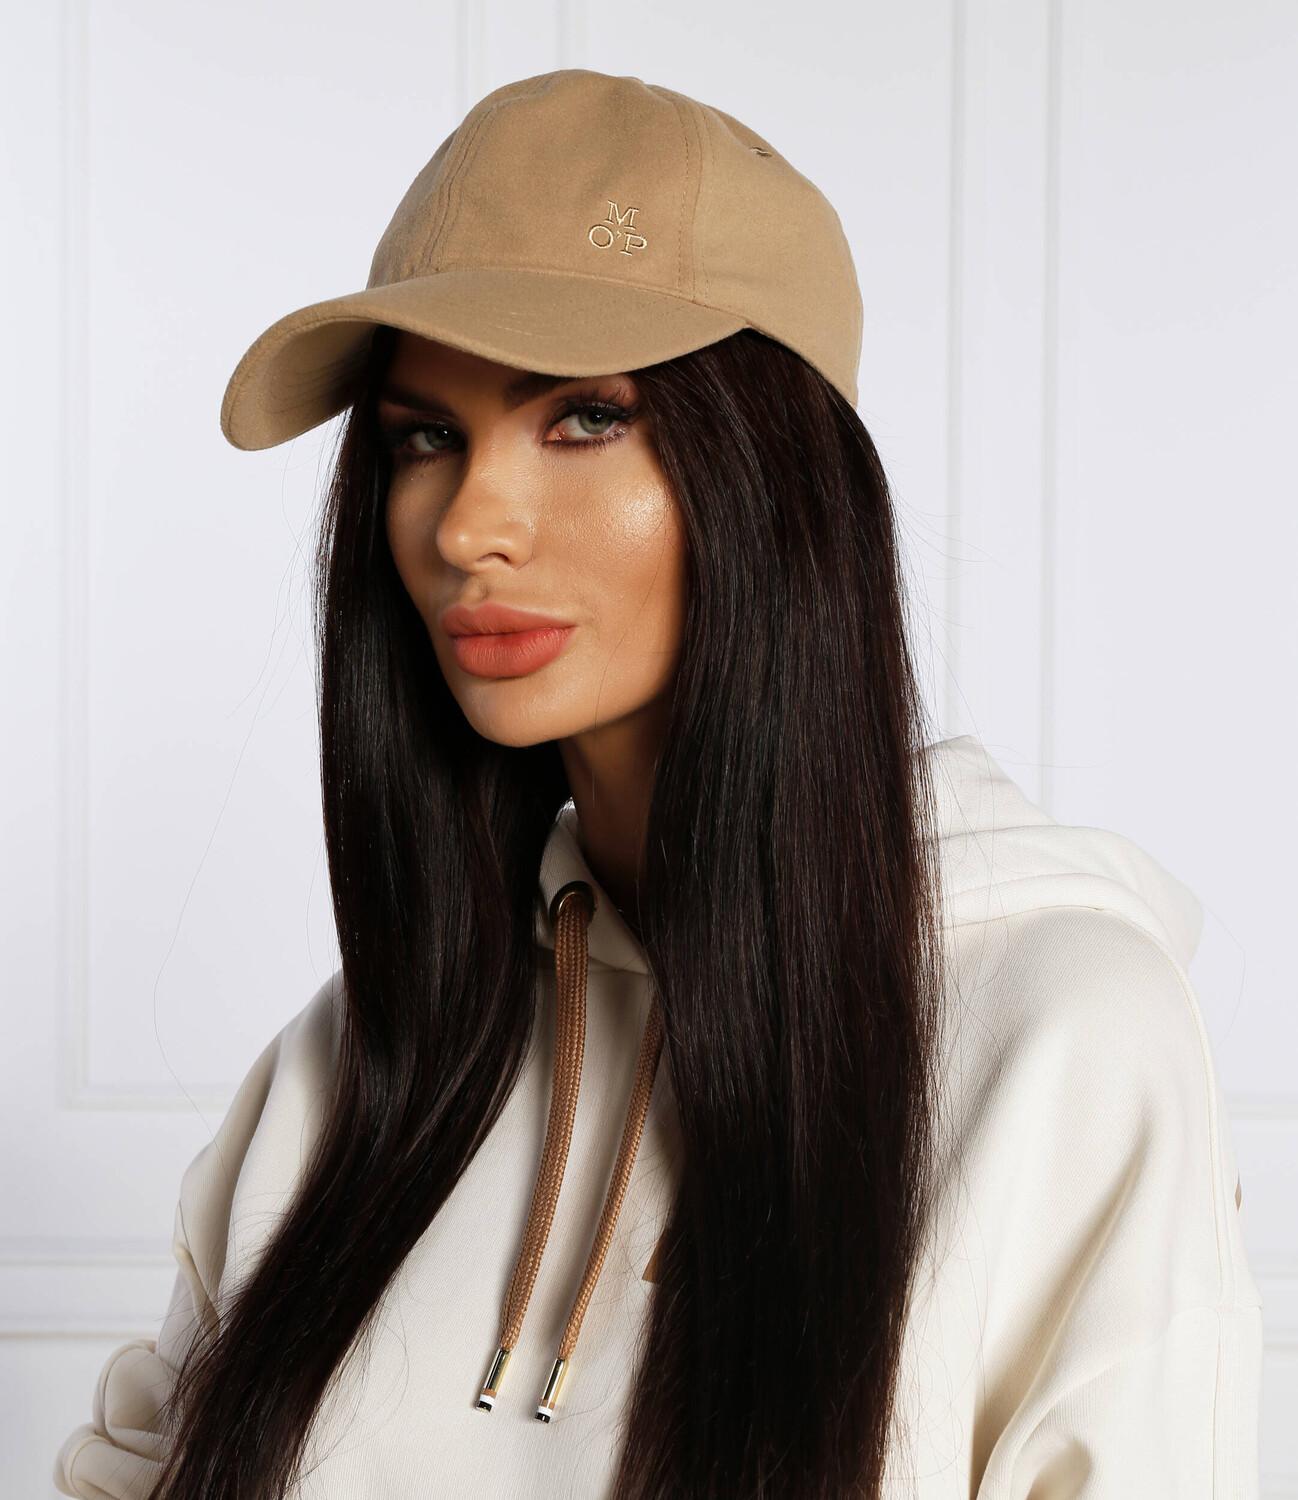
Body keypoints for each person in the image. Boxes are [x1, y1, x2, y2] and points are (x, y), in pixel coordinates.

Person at [53, 68, 1261, 1500]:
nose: (467, 525)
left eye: (583, 417)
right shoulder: (354, 1060)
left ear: (775, 474)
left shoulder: (1058, 1035)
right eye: (424, 436)